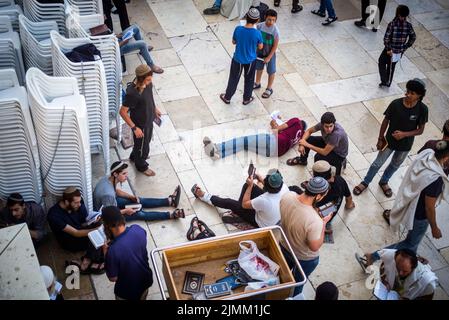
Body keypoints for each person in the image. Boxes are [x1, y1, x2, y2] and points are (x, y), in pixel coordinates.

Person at [355, 141, 449, 269]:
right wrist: (434, 227)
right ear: (447, 156)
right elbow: (429, 207)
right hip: (421, 216)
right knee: (409, 244)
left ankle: (411, 261)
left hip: (413, 207)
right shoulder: (435, 179)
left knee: (412, 244)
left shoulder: (427, 155)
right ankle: (373, 257)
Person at [353, 79, 428, 198]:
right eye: (407, 91)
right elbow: (385, 121)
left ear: (419, 95)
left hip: (405, 145)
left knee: (395, 165)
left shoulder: (423, 109)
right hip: (389, 142)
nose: (408, 94)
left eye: (412, 93)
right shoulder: (396, 104)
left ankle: (384, 181)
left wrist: (404, 134)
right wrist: (380, 138)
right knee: (377, 164)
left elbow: (420, 130)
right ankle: (365, 182)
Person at [279, 177, 332, 296]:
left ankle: (278, 291)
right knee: (298, 283)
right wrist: (323, 224)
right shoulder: (315, 221)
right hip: (304, 257)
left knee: (282, 274)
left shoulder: (288, 195)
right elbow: (314, 247)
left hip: (284, 246)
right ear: (318, 196)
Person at [191, 169, 290, 228]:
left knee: (230, 203)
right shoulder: (284, 187)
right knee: (247, 186)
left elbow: (245, 204)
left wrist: (251, 185)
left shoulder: (265, 201)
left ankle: (203, 196)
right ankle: (239, 211)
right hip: (275, 216)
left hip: (261, 223)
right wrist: (259, 178)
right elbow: (269, 187)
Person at [93, 161, 185, 221]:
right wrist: (126, 211)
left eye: (126, 173)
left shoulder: (108, 178)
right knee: (139, 214)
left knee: (138, 200)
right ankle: (171, 215)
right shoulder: (108, 195)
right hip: (107, 216)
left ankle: (170, 201)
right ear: (115, 174)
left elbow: (115, 191)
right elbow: (110, 214)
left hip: (111, 204)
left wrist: (131, 197)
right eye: (124, 174)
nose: (126, 176)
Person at [47, 187, 105, 274]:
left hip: (79, 230)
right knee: (98, 236)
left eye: (79, 201)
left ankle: (89, 259)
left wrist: (93, 221)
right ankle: (87, 261)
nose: (80, 204)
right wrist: (95, 230)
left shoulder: (79, 203)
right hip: (69, 240)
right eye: (76, 203)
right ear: (66, 202)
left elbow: (83, 223)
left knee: (101, 226)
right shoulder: (54, 215)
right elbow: (76, 233)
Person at [102, 206, 154, 300]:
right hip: (145, 281)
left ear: (107, 226)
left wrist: (105, 254)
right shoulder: (138, 229)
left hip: (127, 292)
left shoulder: (112, 251)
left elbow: (113, 278)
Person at [119, 64, 162, 176]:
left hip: (149, 119)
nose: (149, 81)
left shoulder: (148, 84)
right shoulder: (133, 94)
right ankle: (141, 166)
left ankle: (134, 156)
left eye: (150, 79)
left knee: (144, 143)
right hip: (140, 125)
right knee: (143, 148)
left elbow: (150, 97)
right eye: (147, 79)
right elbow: (122, 112)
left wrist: (154, 109)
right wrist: (134, 128)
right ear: (140, 78)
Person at [203, 117, 306, 159]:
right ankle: (219, 155)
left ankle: (216, 147)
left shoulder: (296, 120)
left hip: (273, 141)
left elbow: (277, 129)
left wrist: (274, 123)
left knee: (243, 140)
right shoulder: (301, 136)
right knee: (245, 146)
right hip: (275, 153)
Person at [220, 8, 263, 106]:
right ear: (257, 20)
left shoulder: (238, 29)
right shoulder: (257, 33)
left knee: (234, 78)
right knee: (249, 79)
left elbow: (234, 42)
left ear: (246, 17)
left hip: (237, 59)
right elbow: (260, 46)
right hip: (251, 61)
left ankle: (227, 97)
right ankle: (246, 99)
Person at [302, 161, 355, 235]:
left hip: (319, 217)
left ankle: (322, 228)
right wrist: (349, 204)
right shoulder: (340, 180)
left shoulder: (318, 189)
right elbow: (348, 197)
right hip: (331, 212)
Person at [378, 5, 416, 87]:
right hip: (399, 51)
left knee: (381, 61)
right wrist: (405, 47)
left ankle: (384, 81)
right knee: (391, 66)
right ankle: (388, 82)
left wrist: (388, 48)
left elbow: (386, 38)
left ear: (398, 13)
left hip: (389, 50)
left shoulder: (392, 24)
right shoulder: (408, 25)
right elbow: (413, 37)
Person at [254, 9, 280, 99]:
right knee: (259, 68)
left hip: (270, 54)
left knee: (271, 71)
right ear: (265, 17)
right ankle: (257, 83)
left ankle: (269, 88)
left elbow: (275, 45)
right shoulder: (259, 26)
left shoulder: (275, 31)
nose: (271, 22)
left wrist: (269, 57)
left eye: (273, 20)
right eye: (269, 19)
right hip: (260, 52)